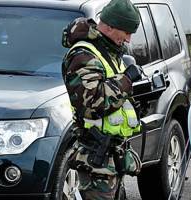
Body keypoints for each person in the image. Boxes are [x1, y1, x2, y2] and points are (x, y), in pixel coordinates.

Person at [61, 0, 142, 199]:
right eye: (126, 32)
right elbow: (92, 104)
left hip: (113, 159)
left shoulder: (110, 53)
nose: (129, 40)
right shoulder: (84, 55)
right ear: (110, 25)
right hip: (96, 161)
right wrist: (126, 80)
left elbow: (115, 100)